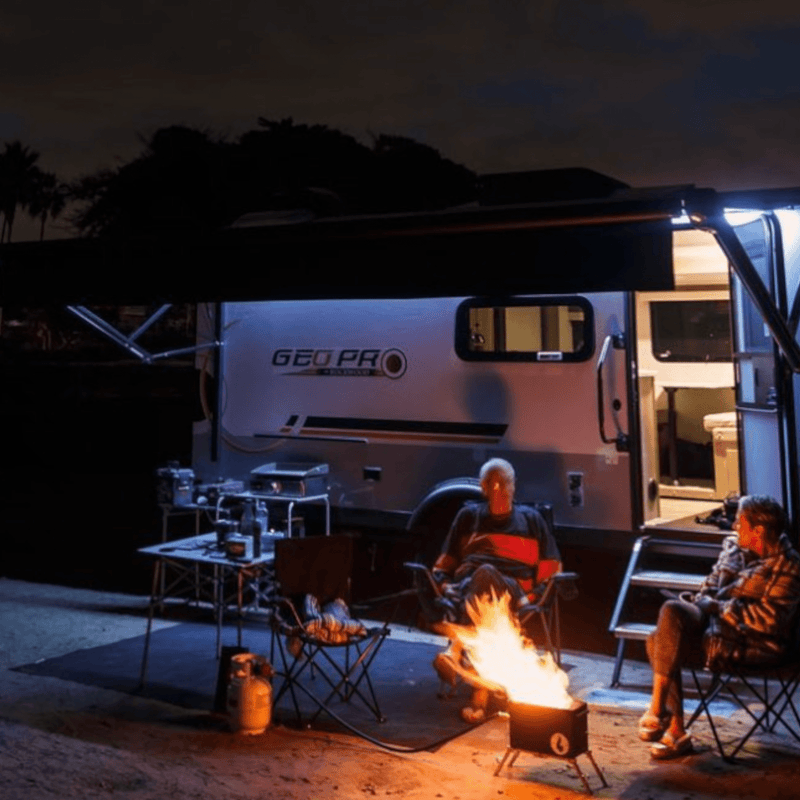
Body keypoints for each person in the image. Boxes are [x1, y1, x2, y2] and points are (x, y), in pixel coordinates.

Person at [639, 495, 800, 759]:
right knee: (671, 611)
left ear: (758, 530)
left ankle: (673, 727)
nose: (734, 527)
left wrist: (719, 608)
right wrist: (706, 601)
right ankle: (659, 710)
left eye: (739, 522)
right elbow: (710, 584)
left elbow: (770, 621)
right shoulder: (734, 550)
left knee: (659, 639)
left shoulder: (788, 566)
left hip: (752, 642)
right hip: (712, 623)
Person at [431, 457, 562, 721]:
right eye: (492, 484)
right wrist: (444, 584)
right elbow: (444, 564)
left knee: (486, 574)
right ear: (482, 487)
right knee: (483, 586)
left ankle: (457, 656)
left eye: (505, 483)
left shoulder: (532, 520)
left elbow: (551, 571)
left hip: (512, 591)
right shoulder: (468, 517)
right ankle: (479, 695)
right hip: (470, 589)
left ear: (514, 486)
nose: (499, 489)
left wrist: (536, 596)